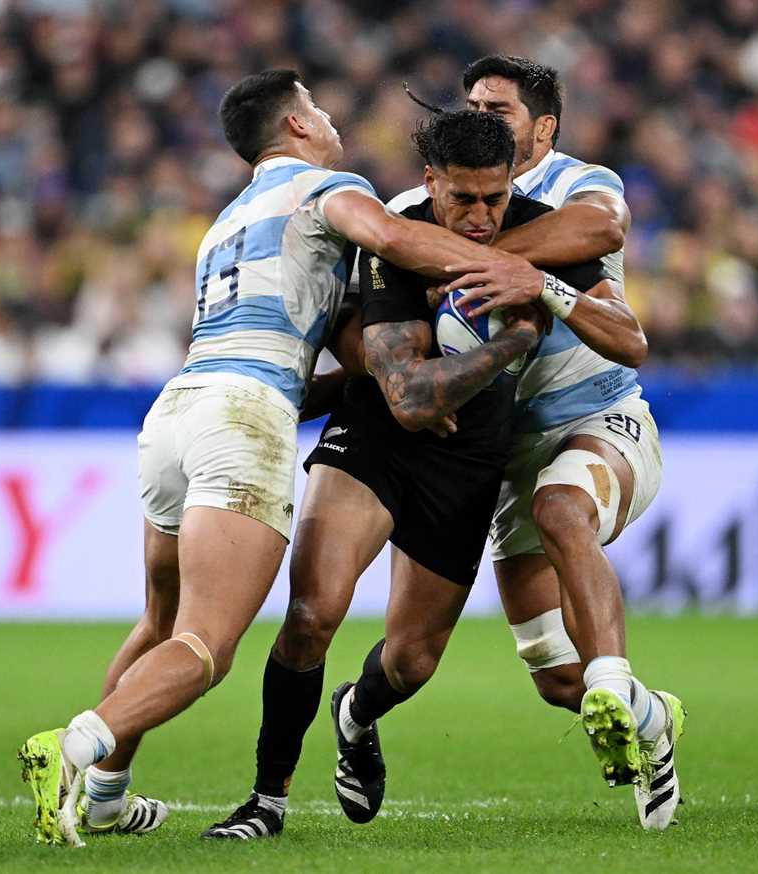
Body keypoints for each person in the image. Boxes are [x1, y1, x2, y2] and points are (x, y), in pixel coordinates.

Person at [15, 70, 534, 848]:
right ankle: (78, 745)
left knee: (159, 619)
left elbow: (290, 355)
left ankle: (109, 797)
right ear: (294, 126)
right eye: (318, 109)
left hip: (179, 411)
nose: (329, 120)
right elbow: (395, 238)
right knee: (202, 644)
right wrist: (514, 272)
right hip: (242, 419)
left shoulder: (227, 220)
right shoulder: (323, 189)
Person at [203, 110, 614, 838]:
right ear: (431, 183)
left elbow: (630, 333)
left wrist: (549, 292)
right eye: (463, 199)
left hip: (469, 461)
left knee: (413, 661)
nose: (481, 216)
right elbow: (410, 397)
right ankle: (266, 800)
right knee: (312, 614)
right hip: (377, 437)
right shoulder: (398, 238)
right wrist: (512, 341)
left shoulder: (544, 234)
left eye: (494, 197)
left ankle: (355, 713)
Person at [392, 55, 683, 830]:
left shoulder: (579, 186)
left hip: (599, 417)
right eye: (474, 108)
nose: (484, 121)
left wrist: (517, 270)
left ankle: (620, 684)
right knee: (559, 677)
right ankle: (650, 718)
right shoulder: (444, 198)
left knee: (564, 509)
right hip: (504, 448)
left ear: (544, 127)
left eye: (501, 110)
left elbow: (602, 231)